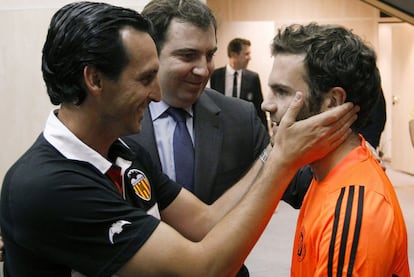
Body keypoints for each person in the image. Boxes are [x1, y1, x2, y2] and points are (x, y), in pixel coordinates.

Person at [0, 2, 358, 275]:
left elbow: (205, 223)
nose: (157, 94)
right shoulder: (50, 185)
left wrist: (272, 154)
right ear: (94, 79)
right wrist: (280, 160)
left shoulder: (122, 153)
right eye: (144, 79)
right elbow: (202, 268)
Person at [262, 22, 410, 276]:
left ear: (332, 102)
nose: (267, 105)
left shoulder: (355, 210)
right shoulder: (324, 174)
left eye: (282, 92)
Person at [210, 38, 268, 130]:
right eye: (246, 54)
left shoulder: (253, 78)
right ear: (234, 55)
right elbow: (212, 104)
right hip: (221, 129)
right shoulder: (216, 75)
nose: (250, 58)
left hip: (245, 130)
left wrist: (266, 134)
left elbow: (259, 109)